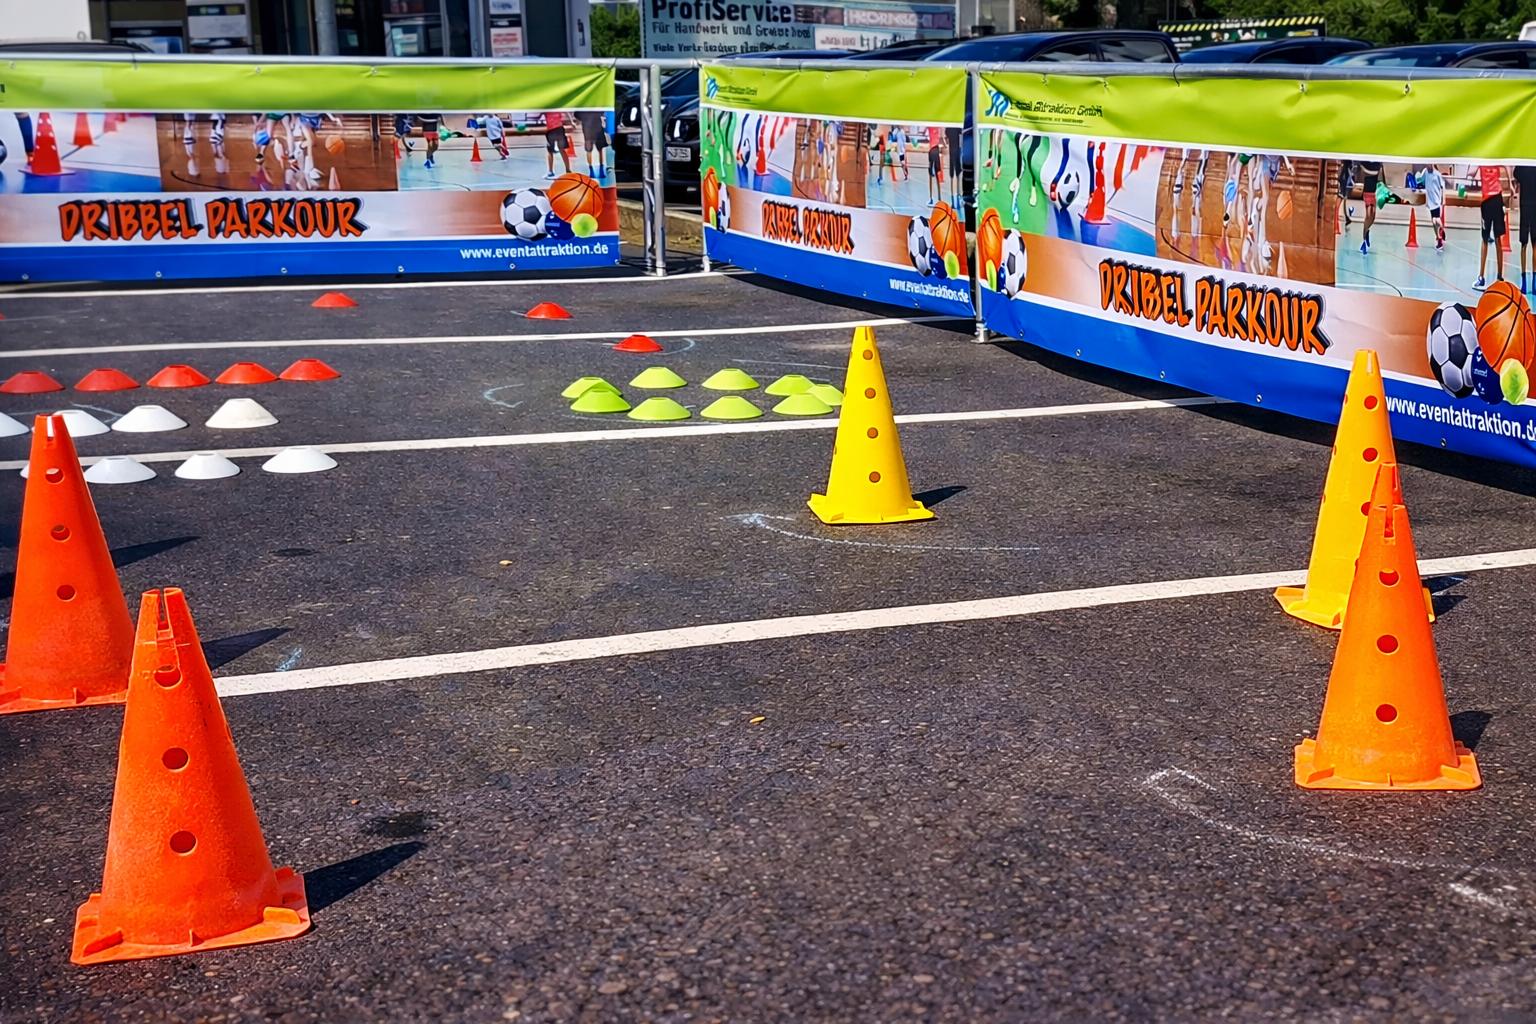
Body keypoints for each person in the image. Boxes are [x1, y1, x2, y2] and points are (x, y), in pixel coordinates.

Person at [1476, 163, 1511, 289]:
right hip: (1497, 199)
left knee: (1485, 240)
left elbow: (1470, 173)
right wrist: (1510, 183)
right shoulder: (1496, 157)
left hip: (1487, 201)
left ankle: (1481, 277)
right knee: (1497, 240)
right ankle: (1499, 276)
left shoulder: (1481, 159)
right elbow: (1507, 166)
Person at [1514, 164, 1536, 291]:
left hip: (1525, 205)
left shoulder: (1523, 164)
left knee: (1524, 244)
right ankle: (1533, 282)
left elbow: (1516, 175)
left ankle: (1524, 282)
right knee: (1534, 244)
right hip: (1533, 206)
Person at [1357, 158, 1383, 254]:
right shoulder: (1365, 164)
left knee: (1373, 216)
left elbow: (1379, 175)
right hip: (1367, 193)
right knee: (1368, 214)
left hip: (1373, 194)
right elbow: (1364, 171)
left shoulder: (1377, 164)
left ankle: (1367, 231)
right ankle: (1364, 237)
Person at [577, 109, 608, 180]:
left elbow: (577, 115)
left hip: (587, 129)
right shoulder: (596, 104)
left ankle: (592, 171)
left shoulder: (583, 106)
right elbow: (602, 112)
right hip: (598, 128)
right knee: (599, 149)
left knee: (589, 150)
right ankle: (601, 170)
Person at [1422, 163, 1446, 252]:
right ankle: (1438, 238)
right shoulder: (1425, 172)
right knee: (1433, 221)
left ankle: (1441, 231)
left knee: (1436, 220)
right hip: (1430, 200)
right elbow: (1421, 180)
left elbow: (1443, 187)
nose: (1427, 166)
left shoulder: (1437, 174)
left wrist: (1443, 199)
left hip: (1436, 200)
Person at [543, 111, 572, 178]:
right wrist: (571, 122)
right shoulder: (558, 106)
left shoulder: (547, 107)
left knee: (550, 152)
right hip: (559, 129)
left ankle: (550, 172)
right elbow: (567, 112)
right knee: (561, 150)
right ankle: (568, 170)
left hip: (551, 130)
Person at [926, 124, 943, 203]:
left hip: (932, 150)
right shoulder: (938, 127)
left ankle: (931, 197)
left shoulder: (931, 127)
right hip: (936, 149)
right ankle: (939, 197)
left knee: (931, 175)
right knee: (937, 175)